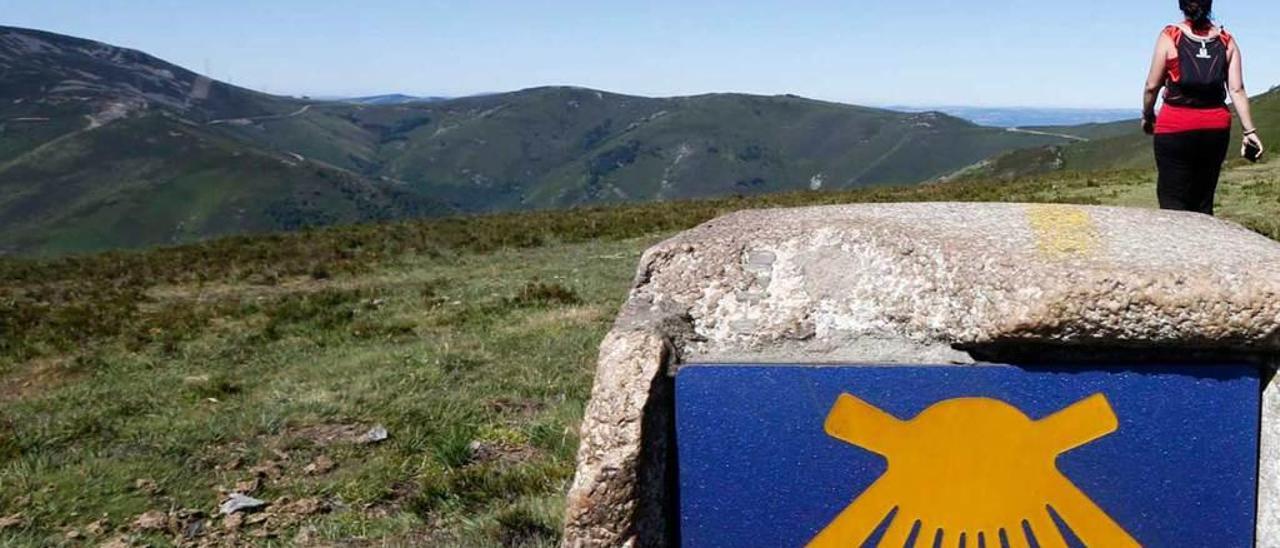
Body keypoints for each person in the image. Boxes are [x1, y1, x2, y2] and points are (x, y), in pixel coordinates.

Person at [1142, 0, 1264, 215]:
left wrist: (1148, 115)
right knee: (1203, 200)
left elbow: (1152, 86)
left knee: (1173, 201)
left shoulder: (1170, 36)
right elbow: (1237, 89)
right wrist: (1249, 131)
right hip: (1215, 129)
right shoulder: (1226, 40)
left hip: (1174, 127)